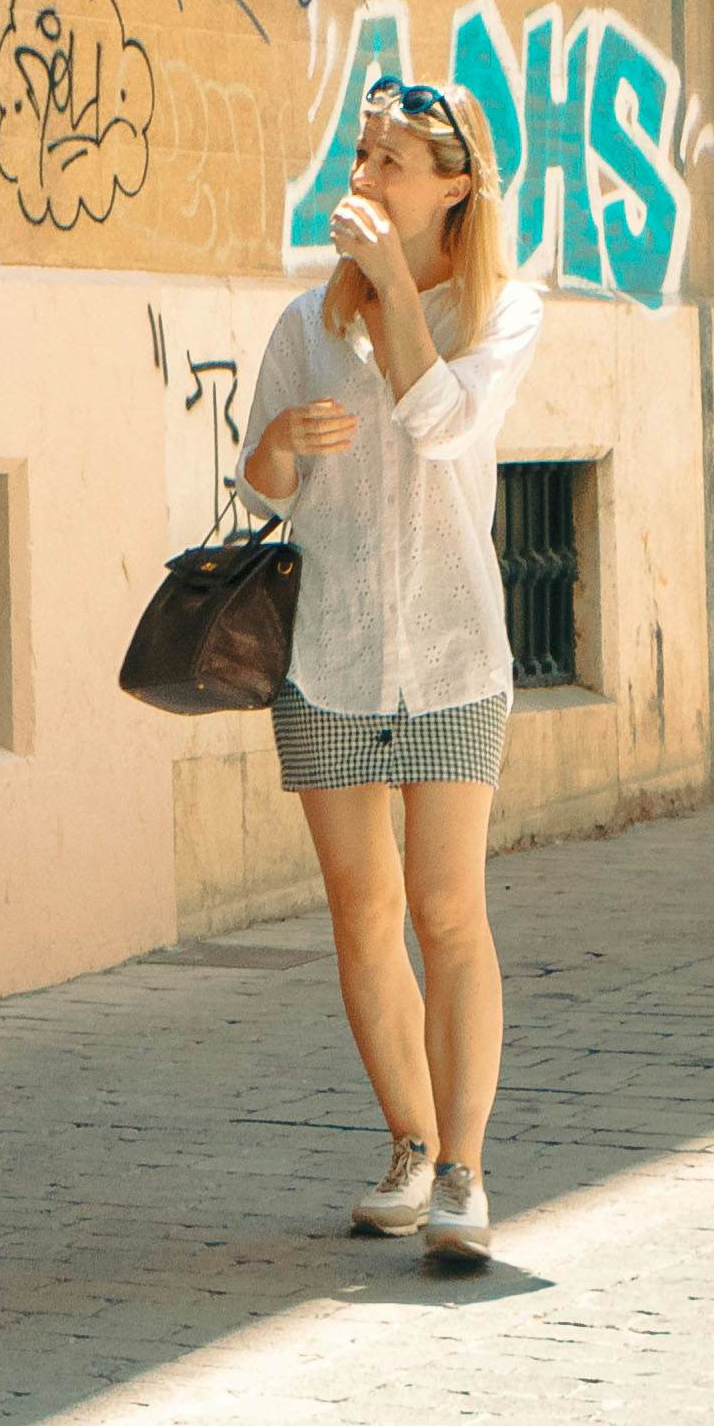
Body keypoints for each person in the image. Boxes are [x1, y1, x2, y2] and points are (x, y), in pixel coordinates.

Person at [235, 74, 543, 1268]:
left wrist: (396, 291)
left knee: (447, 909)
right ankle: (409, 1149)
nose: (360, 182)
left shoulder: (503, 311)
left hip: (454, 652)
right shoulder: (305, 326)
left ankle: (465, 1170)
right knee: (363, 917)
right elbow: (258, 487)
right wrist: (274, 445)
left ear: (454, 188)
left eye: (390, 165)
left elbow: (443, 426)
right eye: (359, 159)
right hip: (329, 657)